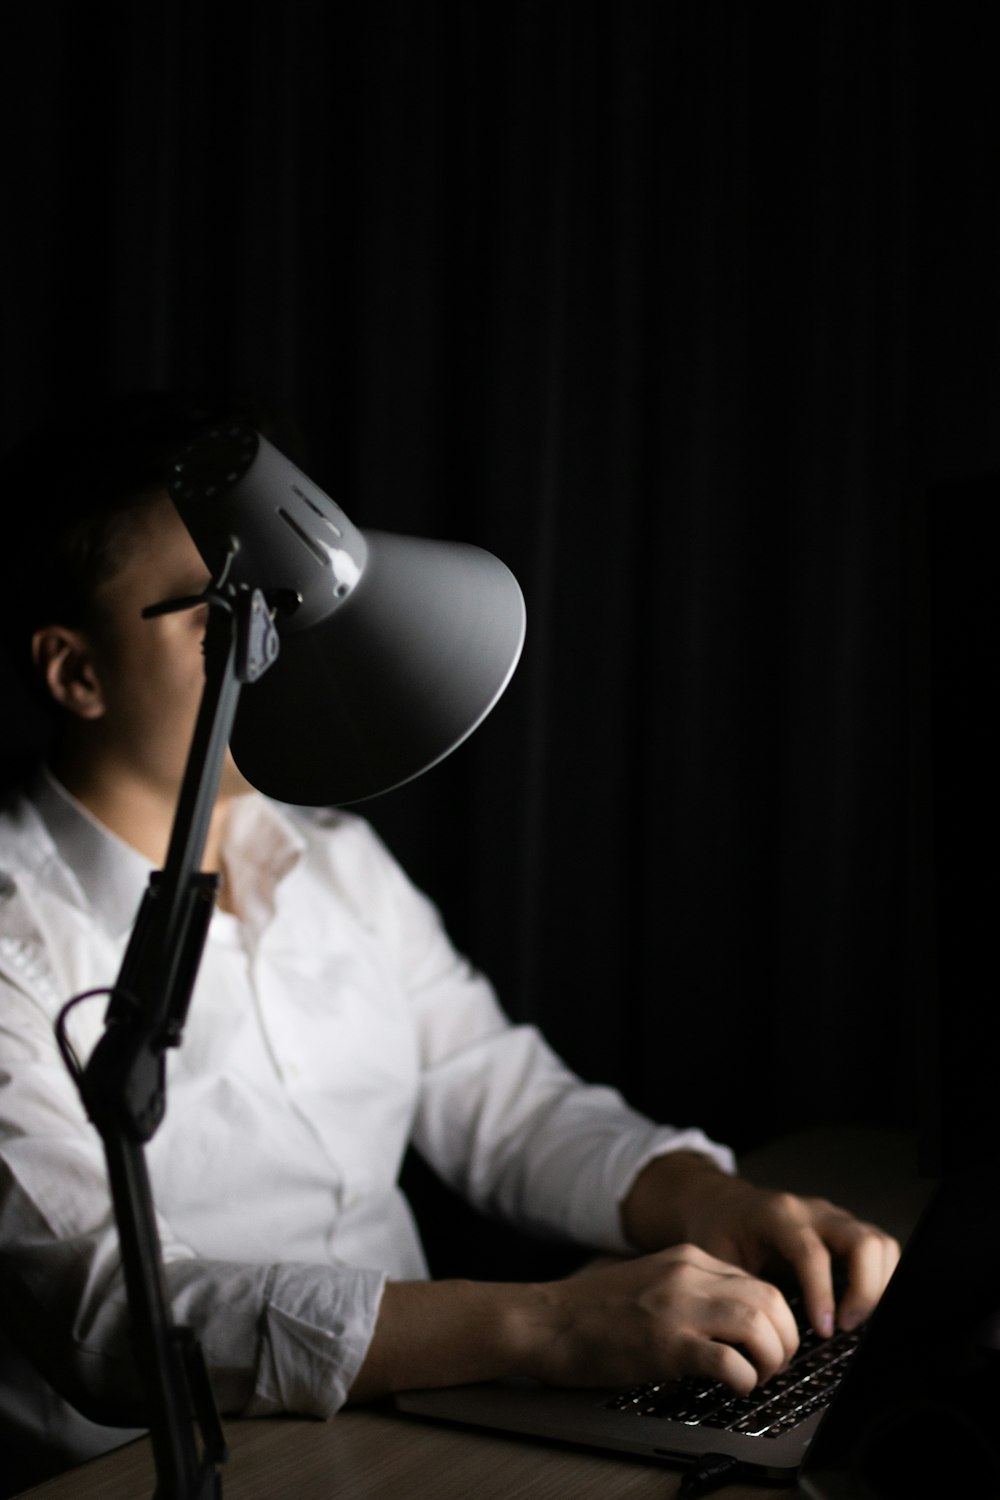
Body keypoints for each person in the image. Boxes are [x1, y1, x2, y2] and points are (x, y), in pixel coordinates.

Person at [0, 395, 899, 1491]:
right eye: (225, 617)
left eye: (284, 605)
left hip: (398, 1439)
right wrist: (545, 1328)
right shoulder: (14, 934)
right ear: (74, 673)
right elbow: (104, 1313)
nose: (274, 650)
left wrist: (713, 1203)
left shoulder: (332, 864)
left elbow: (504, 1102)